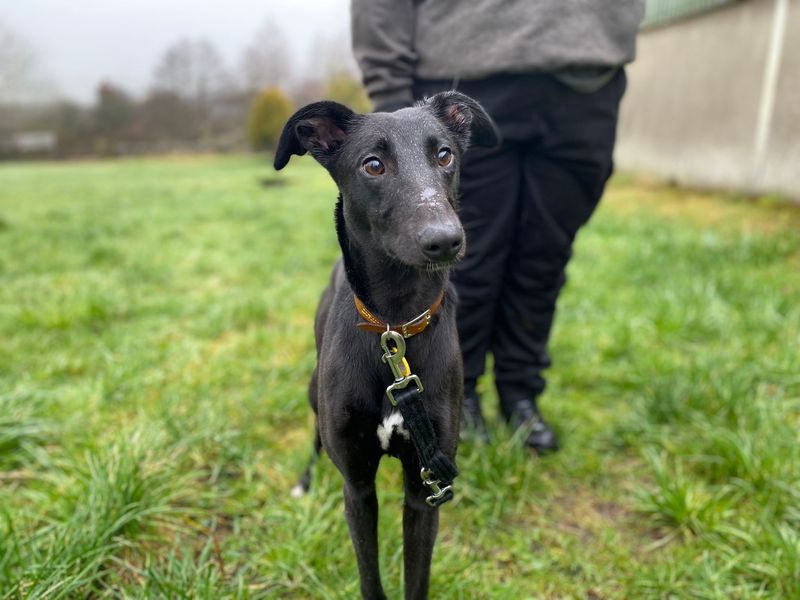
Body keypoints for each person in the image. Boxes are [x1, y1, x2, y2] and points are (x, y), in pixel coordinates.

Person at [351, 1, 645, 453]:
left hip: (588, 83)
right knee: (465, 259)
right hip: (464, 74)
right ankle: (457, 393)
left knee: (545, 255)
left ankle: (522, 392)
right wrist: (393, 102)